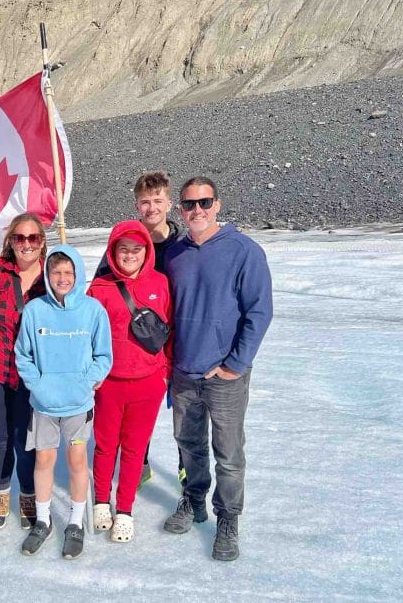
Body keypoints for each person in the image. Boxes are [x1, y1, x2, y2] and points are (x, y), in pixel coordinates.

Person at [162, 176, 273, 562]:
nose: (197, 211)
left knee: (228, 452)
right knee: (188, 445)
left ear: (218, 205)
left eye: (204, 203)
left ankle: (228, 518)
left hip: (224, 375)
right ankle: (193, 502)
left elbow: (259, 312)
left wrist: (235, 364)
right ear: (180, 209)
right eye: (189, 204)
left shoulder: (244, 251)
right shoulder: (174, 254)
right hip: (183, 372)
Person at [14, 245, 112, 559]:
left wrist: (87, 382)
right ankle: (43, 521)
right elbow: (23, 355)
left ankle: (74, 521)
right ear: (47, 274)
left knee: (77, 462)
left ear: (78, 274)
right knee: (43, 462)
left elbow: (103, 355)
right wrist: (37, 385)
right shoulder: (34, 311)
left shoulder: (93, 310)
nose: (62, 278)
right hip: (44, 404)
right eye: (56, 272)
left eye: (68, 272)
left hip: (78, 404)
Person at [93, 171, 184, 488]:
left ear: (169, 203)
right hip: (129, 351)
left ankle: (185, 466)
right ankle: (139, 460)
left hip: (172, 339)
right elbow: (100, 293)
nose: (152, 208)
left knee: (181, 409)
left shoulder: (182, 246)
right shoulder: (124, 245)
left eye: (158, 200)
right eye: (145, 202)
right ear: (137, 205)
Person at [86, 220, 173, 542]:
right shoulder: (99, 289)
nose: (130, 255)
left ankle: (124, 510)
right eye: (124, 249)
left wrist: (165, 371)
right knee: (106, 446)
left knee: (135, 449)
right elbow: (87, 337)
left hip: (147, 382)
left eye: (137, 249)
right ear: (113, 252)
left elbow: (169, 329)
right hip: (109, 383)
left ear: (147, 251)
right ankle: (100, 502)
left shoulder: (161, 283)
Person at [0, 214, 48, 529]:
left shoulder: (52, 274)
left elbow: (76, 311)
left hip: (32, 377)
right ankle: (0, 492)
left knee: (26, 440)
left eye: (33, 238)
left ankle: (29, 495)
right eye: (20, 238)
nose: (26, 244)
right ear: (11, 241)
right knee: (1, 438)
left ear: (42, 241)